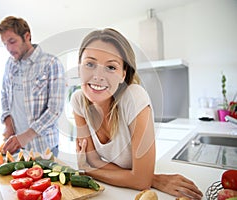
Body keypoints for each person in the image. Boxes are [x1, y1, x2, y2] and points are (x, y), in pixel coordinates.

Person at [71, 28, 203, 199]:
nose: (98, 76)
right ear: (79, 68)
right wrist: (149, 178)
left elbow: (93, 166)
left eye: (111, 67)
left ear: (123, 74)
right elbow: (93, 161)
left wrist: (89, 170)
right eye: (90, 64)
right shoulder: (78, 101)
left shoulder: (134, 96)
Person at [0, 16, 65, 157]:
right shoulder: (10, 63)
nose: (8, 48)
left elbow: (55, 110)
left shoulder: (51, 63)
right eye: (5, 44)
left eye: (12, 41)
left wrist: (25, 137)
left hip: (44, 147)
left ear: (27, 36)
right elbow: (4, 95)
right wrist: (8, 124)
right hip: (17, 146)